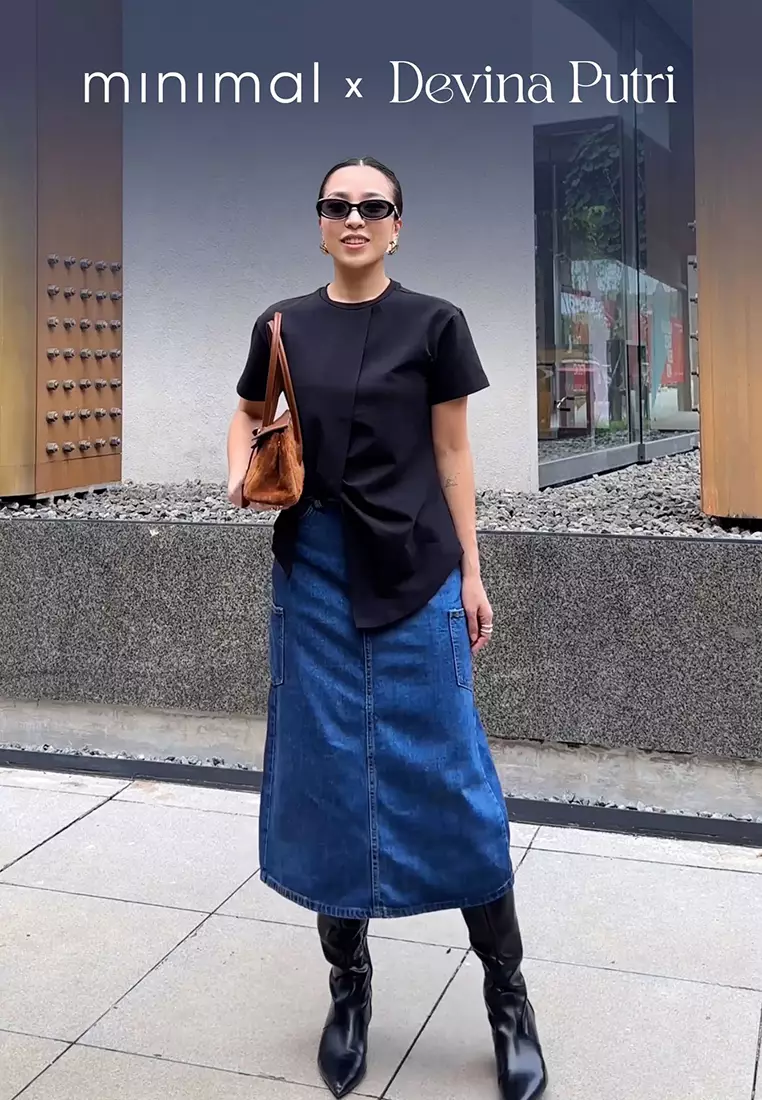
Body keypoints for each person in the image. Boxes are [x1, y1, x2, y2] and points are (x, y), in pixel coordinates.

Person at [226, 156, 547, 1100]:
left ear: (398, 224)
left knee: (454, 778)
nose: (355, 217)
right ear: (320, 222)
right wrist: (241, 473)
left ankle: (508, 997)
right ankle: (350, 988)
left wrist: (473, 573)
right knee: (327, 779)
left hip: (418, 567)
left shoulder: (436, 322)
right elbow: (248, 412)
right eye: (339, 205)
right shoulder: (282, 323)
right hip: (316, 573)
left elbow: (453, 451)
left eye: (374, 205)